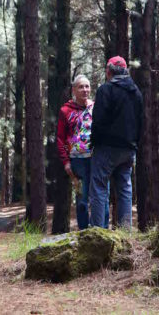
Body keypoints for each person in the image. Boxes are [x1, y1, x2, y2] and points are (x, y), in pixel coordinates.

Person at [89, 56, 143, 229]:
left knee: (98, 187)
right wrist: (135, 144)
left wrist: (94, 142)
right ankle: (125, 232)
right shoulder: (136, 92)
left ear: (109, 71)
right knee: (124, 188)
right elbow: (140, 121)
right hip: (128, 148)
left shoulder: (106, 90)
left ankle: (98, 232)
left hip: (107, 147)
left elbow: (98, 120)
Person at [56, 75, 108, 229]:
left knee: (101, 197)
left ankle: (102, 232)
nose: (85, 90)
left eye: (87, 86)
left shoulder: (96, 107)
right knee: (82, 200)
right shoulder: (65, 110)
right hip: (77, 162)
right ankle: (83, 233)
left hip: (98, 160)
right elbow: (60, 138)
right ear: (74, 90)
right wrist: (66, 162)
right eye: (81, 87)